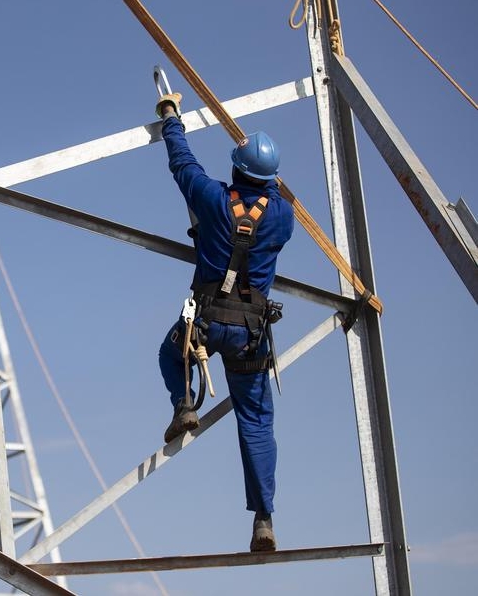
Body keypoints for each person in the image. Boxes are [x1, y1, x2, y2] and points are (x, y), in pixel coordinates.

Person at [154, 91, 294, 552]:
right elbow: (267, 201)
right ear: (270, 180)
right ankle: (264, 520)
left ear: (236, 170)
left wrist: (171, 115)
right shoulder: (283, 218)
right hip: (251, 336)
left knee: (171, 354)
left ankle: (184, 405)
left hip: (207, 323)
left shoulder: (211, 197)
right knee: (255, 421)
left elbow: (182, 162)